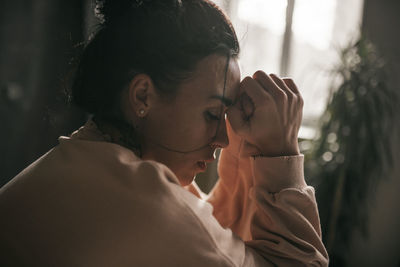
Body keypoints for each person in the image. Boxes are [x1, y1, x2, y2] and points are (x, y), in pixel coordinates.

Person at [0, 0, 329, 266]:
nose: (223, 139)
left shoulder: (85, 156)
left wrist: (249, 150)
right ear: (143, 95)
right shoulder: (145, 201)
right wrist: (279, 152)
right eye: (213, 114)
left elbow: (207, 234)